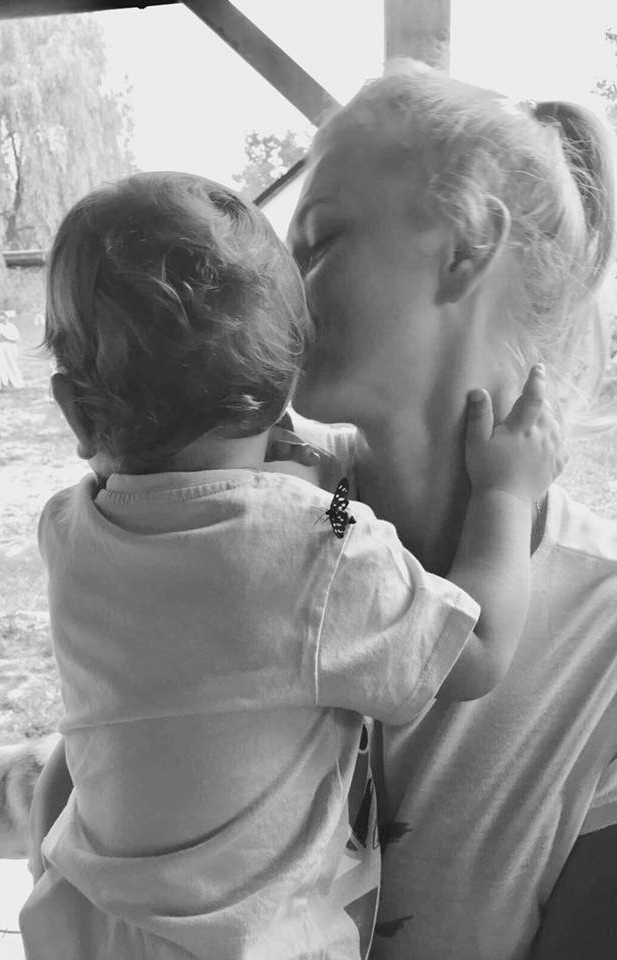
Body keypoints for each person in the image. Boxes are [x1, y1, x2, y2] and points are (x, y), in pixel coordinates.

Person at [19, 171, 560, 960]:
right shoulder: (320, 547)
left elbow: (206, 526)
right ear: (285, 389)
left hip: (89, 927)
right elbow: (476, 655)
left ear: (74, 409)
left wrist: (317, 488)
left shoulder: (69, 529)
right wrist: (506, 494)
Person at [283, 60, 617, 959]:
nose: (277, 291)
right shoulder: (276, 527)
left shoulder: (604, 643)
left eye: (317, 242)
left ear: (467, 246)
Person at [0, 310, 24, 391]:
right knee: (1, 365)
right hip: (0, 347)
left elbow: (16, 338)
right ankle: (3, 384)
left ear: (7, 318)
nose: (2, 320)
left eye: (4, 318)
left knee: (12, 364)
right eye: (0, 319)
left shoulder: (12, 327)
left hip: (10, 346)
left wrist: (7, 337)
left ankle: (16, 382)